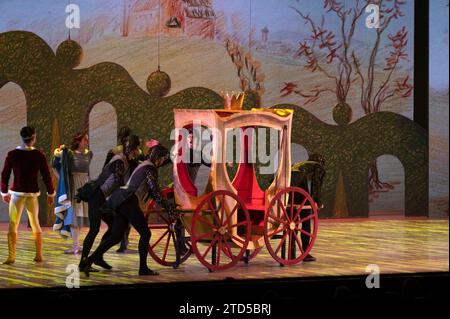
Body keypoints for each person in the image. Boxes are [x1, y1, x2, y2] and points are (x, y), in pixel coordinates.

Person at [82, 144, 173, 276]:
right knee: (146, 234)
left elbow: (153, 192)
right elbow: (155, 192)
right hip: (128, 201)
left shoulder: (144, 164)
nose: (163, 161)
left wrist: (165, 205)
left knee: (115, 236)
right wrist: (169, 209)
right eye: (163, 158)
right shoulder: (150, 168)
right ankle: (143, 268)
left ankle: (88, 261)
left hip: (120, 199)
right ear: (158, 158)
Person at [78, 134, 141, 270]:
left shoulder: (123, 159)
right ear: (131, 149)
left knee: (114, 227)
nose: (136, 153)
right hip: (96, 196)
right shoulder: (119, 161)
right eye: (136, 149)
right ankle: (83, 263)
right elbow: (118, 182)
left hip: (100, 197)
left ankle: (98, 257)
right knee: (94, 230)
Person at [1, 126, 55, 264]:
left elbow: (5, 175)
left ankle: (11, 256)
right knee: (35, 224)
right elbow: (46, 176)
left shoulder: (12, 154)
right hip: (31, 195)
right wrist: (50, 193)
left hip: (17, 194)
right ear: (34, 137)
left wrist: (4, 192)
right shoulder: (39, 155)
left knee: (13, 224)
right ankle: (39, 255)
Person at [52, 132, 92, 254]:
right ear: (79, 142)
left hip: (84, 186)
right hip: (74, 186)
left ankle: (77, 245)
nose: (87, 142)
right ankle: (75, 245)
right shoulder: (69, 154)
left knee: (80, 216)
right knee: (74, 216)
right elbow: (54, 165)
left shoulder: (89, 154)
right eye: (85, 140)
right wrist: (62, 181)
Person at [291, 153, 325, 262]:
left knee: (305, 227)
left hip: (305, 202)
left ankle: (304, 253)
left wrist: (317, 202)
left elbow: (316, 189)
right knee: (295, 228)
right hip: (296, 202)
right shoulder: (300, 173)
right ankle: (293, 253)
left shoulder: (316, 175)